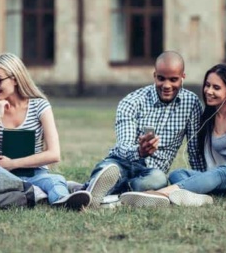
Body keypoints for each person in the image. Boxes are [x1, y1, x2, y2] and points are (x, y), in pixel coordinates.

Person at [120, 64, 226, 207]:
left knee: (220, 173)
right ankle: (212, 196)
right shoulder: (207, 120)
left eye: (216, 88)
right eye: (207, 85)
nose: (209, 91)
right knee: (178, 175)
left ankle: (161, 195)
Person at [0, 53, 91, 210]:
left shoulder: (40, 106)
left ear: (14, 79)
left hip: (35, 173)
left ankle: (61, 199)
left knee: (54, 180)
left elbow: (54, 154)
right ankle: (35, 190)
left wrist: (13, 163)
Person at [72, 51, 204, 209]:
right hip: (122, 163)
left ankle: (92, 192)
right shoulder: (132, 102)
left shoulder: (191, 103)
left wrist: (202, 180)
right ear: (154, 76)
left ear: (183, 77)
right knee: (109, 169)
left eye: (173, 79)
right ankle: (101, 193)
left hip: (151, 173)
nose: (167, 85)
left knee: (159, 179)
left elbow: (194, 149)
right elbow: (123, 146)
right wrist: (139, 151)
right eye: (161, 78)